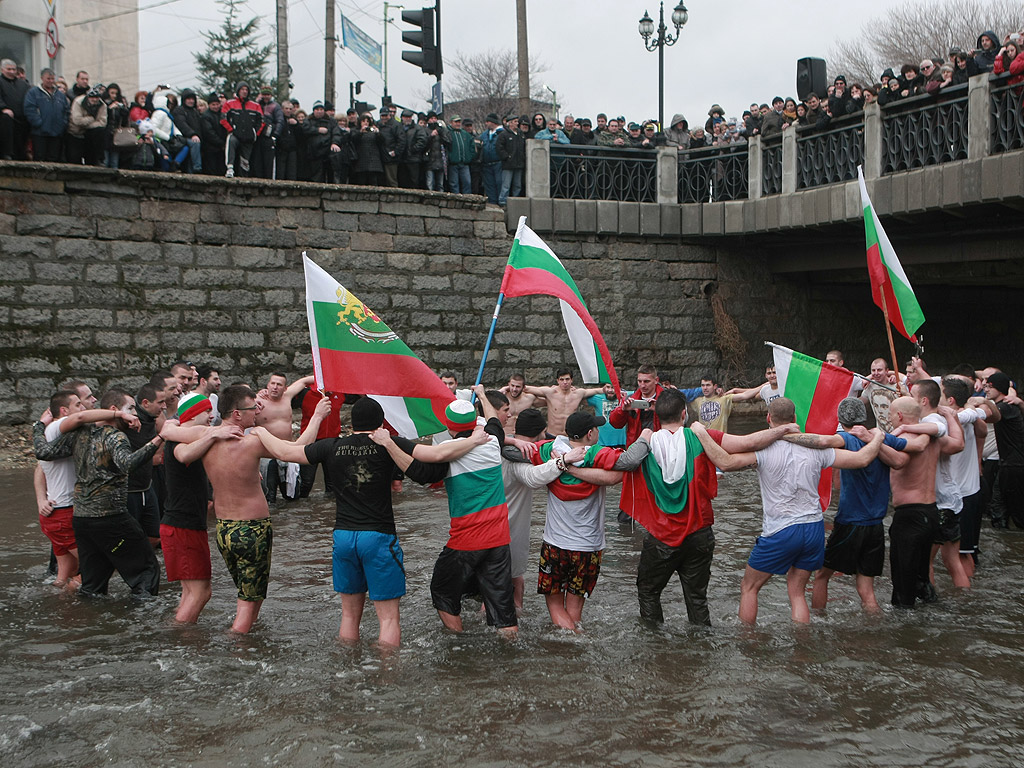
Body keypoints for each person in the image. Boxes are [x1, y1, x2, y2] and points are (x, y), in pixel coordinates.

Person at [252, 396, 477, 646]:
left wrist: (259, 430)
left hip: (344, 537)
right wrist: (475, 439)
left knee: (348, 615)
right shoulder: (389, 443)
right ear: (380, 423)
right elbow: (436, 454)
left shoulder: (331, 446)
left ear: (353, 422)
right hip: (378, 537)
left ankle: (348, 667)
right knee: (388, 619)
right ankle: (386, 675)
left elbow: (284, 452)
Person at [691, 397, 884, 624]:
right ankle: (802, 648)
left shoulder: (764, 450)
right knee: (797, 592)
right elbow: (862, 458)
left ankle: (748, 644)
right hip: (813, 528)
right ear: (794, 419)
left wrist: (701, 433)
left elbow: (725, 462)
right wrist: (879, 435)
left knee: (749, 587)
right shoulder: (817, 449)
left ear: (768, 419)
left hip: (781, 530)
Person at [617, 390, 799, 626]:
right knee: (697, 597)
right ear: (684, 414)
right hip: (699, 532)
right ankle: (701, 643)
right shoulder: (702, 436)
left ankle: (656, 647)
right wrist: (782, 430)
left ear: (657, 416)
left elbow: (619, 468)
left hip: (662, 535)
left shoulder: (645, 444)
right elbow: (748, 442)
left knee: (649, 591)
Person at [170, 384, 329, 633]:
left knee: (251, 593)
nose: (256, 412)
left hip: (224, 530)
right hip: (252, 530)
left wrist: (210, 434)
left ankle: (247, 638)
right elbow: (298, 451)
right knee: (247, 601)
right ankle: (238, 653)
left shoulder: (203, 435)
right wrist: (317, 417)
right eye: (251, 408)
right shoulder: (254, 438)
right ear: (236, 414)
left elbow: (168, 430)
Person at [780, 398, 909, 613]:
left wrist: (783, 434)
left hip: (851, 521)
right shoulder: (880, 437)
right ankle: (875, 631)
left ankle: (819, 621)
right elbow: (904, 457)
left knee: (821, 575)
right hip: (876, 524)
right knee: (866, 588)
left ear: (840, 419)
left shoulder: (846, 438)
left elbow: (822, 442)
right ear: (864, 417)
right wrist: (878, 435)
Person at [33, 389, 163, 598]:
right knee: (147, 569)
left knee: (93, 582)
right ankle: (142, 622)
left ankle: (88, 619)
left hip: (82, 519)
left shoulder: (79, 434)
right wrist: (159, 439)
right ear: (113, 411)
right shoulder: (115, 437)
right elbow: (128, 464)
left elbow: (44, 454)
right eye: (130, 408)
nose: (135, 414)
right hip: (110, 517)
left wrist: (38, 427)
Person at [531, 412, 625, 630]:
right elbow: (622, 470)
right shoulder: (598, 455)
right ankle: (576, 643)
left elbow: (527, 448)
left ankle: (566, 646)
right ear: (590, 434)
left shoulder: (549, 452)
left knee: (555, 607)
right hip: (587, 547)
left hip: (554, 544)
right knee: (575, 611)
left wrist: (564, 465)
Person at [162, 393, 242, 623]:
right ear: (193, 413)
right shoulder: (180, 441)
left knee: (190, 591)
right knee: (201, 593)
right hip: (183, 527)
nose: (212, 415)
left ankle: (179, 636)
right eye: (207, 411)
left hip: (179, 525)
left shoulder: (180, 435)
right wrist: (216, 433)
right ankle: (181, 639)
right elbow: (185, 454)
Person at [885, 396, 946, 608]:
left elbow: (892, 459)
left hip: (909, 515)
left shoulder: (904, 440)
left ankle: (904, 632)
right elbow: (958, 443)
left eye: (891, 414)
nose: (890, 417)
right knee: (921, 579)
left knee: (903, 584)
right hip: (931, 512)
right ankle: (935, 615)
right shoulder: (933, 436)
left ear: (899, 416)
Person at [255, 372, 316, 503]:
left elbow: (304, 382)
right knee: (269, 498)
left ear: (285, 388)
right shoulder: (257, 401)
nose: (275, 387)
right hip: (267, 454)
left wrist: (325, 378)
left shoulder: (287, 397)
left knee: (293, 496)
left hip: (288, 452)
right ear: (267, 385)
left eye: (279, 384)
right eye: (272, 383)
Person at [983, 372, 1024, 529]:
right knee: (998, 504)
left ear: (999, 389)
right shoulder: (1008, 405)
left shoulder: (1006, 407)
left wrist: (979, 402)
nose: (985, 390)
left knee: (1013, 508)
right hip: (1009, 464)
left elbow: (989, 415)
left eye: (989, 387)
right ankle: (1004, 536)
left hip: (1014, 466)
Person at [524, 369, 603, 437]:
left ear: (571, 380)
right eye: (562, 379)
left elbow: (597, 390)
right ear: (558, 380)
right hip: (552, 435)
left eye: (567, 379)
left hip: (570, 436)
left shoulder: (578, 394)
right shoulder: (550, 392)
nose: (565, 382)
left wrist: (609, 388)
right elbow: (527, 389)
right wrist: (512, 387)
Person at [23, 67, 69, 163]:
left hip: (56, 132)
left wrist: (62, 124)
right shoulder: (33, 93)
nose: (51, 81)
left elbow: (66, 111)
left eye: (52, 79)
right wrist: (38, 123)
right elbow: (29, 109)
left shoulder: (60, 95)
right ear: (42, 78)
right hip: (40, 132)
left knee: (54, 159)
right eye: (48, 79)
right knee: (39, 158)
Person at [221, 81, 264, 178]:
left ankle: (244, 174)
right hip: (235, 134)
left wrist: (255, 133)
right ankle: (230, 168)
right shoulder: (229, 103)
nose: (244, 92)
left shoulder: (255, 106)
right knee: (231, 142)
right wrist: (231, 130)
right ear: (238, 91)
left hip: (249, 136)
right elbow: (223, 119)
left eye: (246, 90)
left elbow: (261, 121)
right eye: (242, 90)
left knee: (245, 158)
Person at [1, 58, 31, 160]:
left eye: (14, 69)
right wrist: (3, 108)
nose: (12, 72)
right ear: (2, 70)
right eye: (9, 69)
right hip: (5, 119)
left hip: (22, 119)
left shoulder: (23, 84)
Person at [497, 116, 527, 205]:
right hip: (508, 165)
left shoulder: (521, 134)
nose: (517, 123)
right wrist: (507, 157)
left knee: (517, 185)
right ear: (510, 123)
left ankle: (515, 202)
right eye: (515, 121)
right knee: (506, 185)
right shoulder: (504, 134)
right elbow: (499, 148)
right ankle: (502, 201)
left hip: (519, 164)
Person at [587, 383, 626, 448]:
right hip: (601, 443)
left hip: (621, 442)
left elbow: (640, 394)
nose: (610, 390)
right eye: (608, 387)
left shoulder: (625, 396)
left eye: (613, 387)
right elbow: (582, 396)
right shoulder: (598, 398)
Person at [446, 115, 475, 194]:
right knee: (454, 184)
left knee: (467, 182)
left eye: (459, 122)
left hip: (464, 163)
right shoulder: (448, 133)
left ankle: (467, 199)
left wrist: (470, 157)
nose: (458, 124)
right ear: (451, 122)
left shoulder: (465, 134)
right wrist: (450, 157)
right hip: (453, 163)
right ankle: (456, 200)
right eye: (456, 122)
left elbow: (472, 146)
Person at [479, 113, 503, 204]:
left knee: (499, 184)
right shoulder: (484, 135)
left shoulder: (501, 133)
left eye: (488, 121)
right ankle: (493, 204)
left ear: (493, 122)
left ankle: (500, 203)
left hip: (498, 163)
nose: (486, 124)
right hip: (486, 164)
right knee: (489, 186)